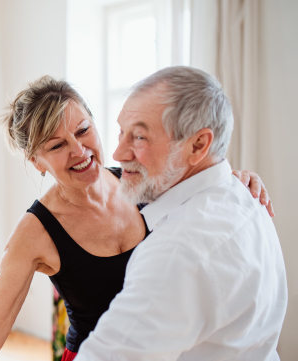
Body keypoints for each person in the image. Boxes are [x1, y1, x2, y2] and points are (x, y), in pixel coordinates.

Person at [0, 76, 273, 361]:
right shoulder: (34, 233)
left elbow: (197, 182)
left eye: (82, 130)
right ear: (37, 162)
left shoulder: (140, 179)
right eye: (56, 146)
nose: (78, 151)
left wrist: (233, 179)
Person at [75, 66, 287, 360]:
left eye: (139, 137)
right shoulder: (244, 195)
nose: (118, 153)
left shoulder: (178, 252)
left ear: (198, 145)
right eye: (122, 132)